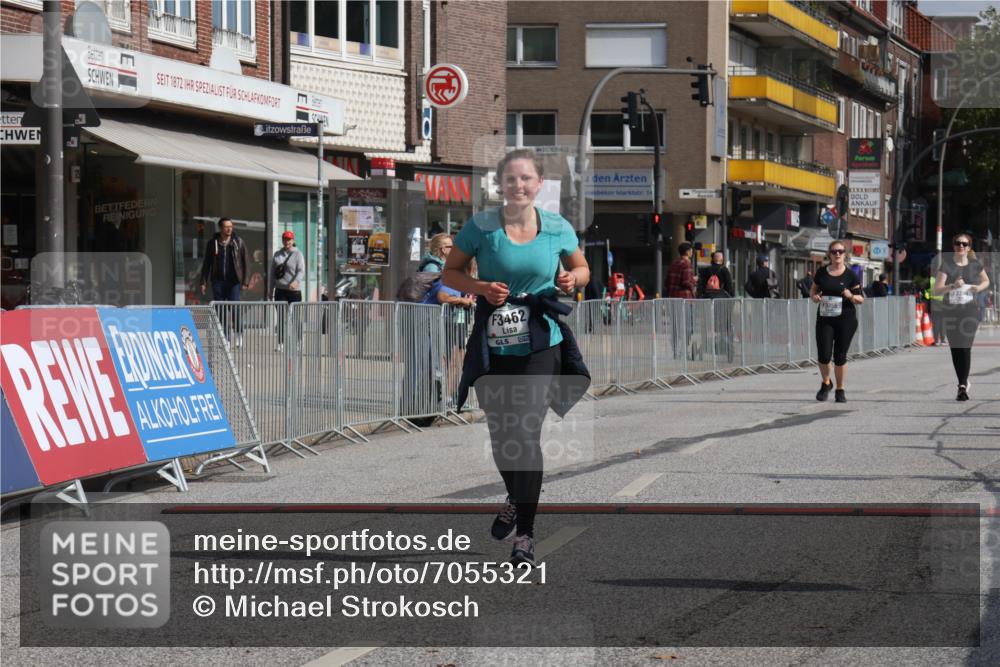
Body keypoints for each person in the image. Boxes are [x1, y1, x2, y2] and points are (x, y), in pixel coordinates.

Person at [442, 148, 591, 566]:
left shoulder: (556, 227)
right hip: (493, 343)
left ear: (538, 184)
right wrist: (481, 286)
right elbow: (450, 273)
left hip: (542, 341)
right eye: (511, 179)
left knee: (524, 435)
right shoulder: (481, 227)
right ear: (500, 185)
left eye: (526, 179)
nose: (519, 186)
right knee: (502, 437)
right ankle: (514, 494)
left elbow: (583, 270)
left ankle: (524, 535)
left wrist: (569, 277)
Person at [934, 233, 990, 401]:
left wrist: (978, 288)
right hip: (951, 311)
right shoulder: (947, 265)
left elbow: (986, 281)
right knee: (956, 349)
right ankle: (962, 381)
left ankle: (962, 386)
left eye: (965, 244)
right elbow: (936, 289)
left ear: (969, 247)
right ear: (954, 246)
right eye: (958, 243)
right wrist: (952, 285)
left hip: (970, 311)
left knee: (965, 347)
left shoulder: (974, 265)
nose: (961, 246)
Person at [811, 241, 864, 403]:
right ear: (829, 254)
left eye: (840, 251)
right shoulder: (822, 272)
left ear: (845, 254)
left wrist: (850, 296)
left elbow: (861, 298)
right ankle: (826, 382)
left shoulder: (851, 275)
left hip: (846, 319)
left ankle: (840, 389)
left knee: (840, 356)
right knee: (824, 355)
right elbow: (814, 289)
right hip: (825, 319)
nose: (837, 254)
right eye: (834, 251)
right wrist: (814, 297)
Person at [200, 217, 250, 346]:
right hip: (218, 281)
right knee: (220, 311)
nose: (229, 229)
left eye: (231, 227)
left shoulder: (238, 242)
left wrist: (245, 281)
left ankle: (239, 334)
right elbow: (207, 263)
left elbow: (246, 263)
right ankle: (225, 338)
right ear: (220, 228)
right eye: (226, 226)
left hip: (234, 282)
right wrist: (203, 281)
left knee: (235, 309)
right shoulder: (213, 243)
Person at [272, 230, 306, 351]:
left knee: (295, 317)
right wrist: (271, 288)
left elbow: (301, 271)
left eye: (289, 239)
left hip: (294, 291)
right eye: (285, 239)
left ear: (293, 241)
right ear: (282, 240)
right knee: (281, 317)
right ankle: (280, 343)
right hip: (280, 290)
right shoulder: (277, 254)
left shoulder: (298, 254)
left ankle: (299, 341)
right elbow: (273, 273)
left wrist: (296, 282)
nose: (287, 241)